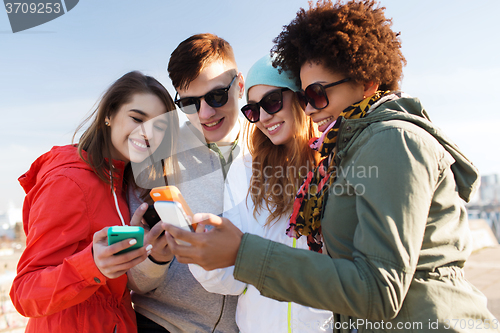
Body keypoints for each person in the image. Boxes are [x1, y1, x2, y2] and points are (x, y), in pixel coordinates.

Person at [162, 1, 499, 332]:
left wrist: (245, 253)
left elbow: (379, 287)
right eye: (253, 110)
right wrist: (201, 247)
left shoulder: (379, 145)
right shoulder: (340, 153)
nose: (311, 108)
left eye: (316, 94)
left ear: (365, 81)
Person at [10, 71, 178, 333]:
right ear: (109, 115)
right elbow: (25, 292)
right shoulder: (69, 181)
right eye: (137, 118)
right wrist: (92, 265)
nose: (147, 134)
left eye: (159, 127)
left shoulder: (120, 178)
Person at [189, 54, 333, 332]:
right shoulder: (245, 171)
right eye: (253, 110)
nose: (264, 118)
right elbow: (232, 281)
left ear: (300, 98)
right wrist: (201, 255)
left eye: (272, 102)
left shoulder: (337, 161)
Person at [127, 33, 244, 333]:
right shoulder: (156, 152)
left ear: (240, 86)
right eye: (190, 103)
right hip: (162, 323)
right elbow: (134, 279)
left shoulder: (271, 145)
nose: (205, 114)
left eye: (217, 96)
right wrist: (155, 259)